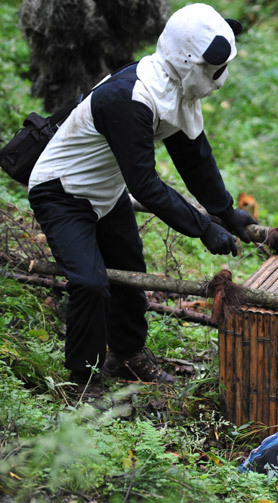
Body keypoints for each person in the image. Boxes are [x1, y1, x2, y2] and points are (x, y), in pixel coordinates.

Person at [26, 3, 257, 391]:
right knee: (90, 283)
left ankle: (128, 354)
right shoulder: (131, 98)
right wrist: (203, 229)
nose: (221, 79)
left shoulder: (175, 88)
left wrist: (226, 213)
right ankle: (83, 378)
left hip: (104, 190)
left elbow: (194, 157)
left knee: (130, 275)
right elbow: (146, 185)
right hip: (62, 192)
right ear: (188, 61)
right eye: (215, 69)